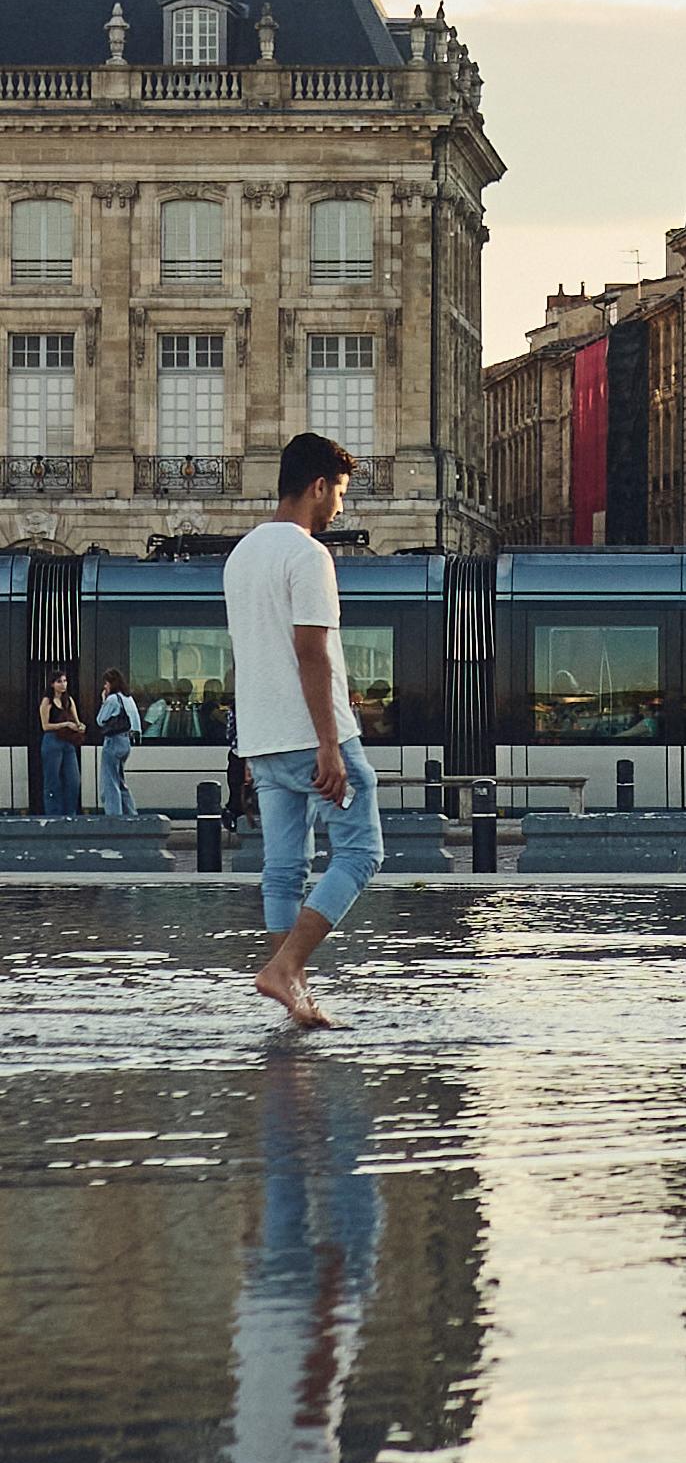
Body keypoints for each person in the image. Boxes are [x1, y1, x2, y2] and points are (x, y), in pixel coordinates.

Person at [225, 432, 381, 1028]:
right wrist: (328, 743)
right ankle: (286, 968)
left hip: (261, 738)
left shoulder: (242, 556)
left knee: (284, 868)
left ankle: (295, 991)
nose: (340, 506)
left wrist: (248, 743)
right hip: (312, 735)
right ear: (318, 486)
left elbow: (248, 655)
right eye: (339, 492)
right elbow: (310, 652)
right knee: (364, 851)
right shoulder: (309, 555)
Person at [36, 668, 84, 816]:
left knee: (73, 780)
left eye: (65, 681)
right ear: (52, 684)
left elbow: (77, 721)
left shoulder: (69, 700)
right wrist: (64, 725)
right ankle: (53, 813)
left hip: (68, 742)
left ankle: (70, 813)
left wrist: (80, 726)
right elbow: (45, 726)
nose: (63, 685)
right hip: (52, 741)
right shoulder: (47, 701)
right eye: (59, 682)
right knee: (52, 781)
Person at [94, 667, 140, 814]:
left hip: (113, 742)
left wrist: (104, 701)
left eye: (106, 683)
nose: (105, 686)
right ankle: (132, 814)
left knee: (110, 783)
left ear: (111, 683)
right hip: (126, 743)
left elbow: (100, 720)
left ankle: (115, 817)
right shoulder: (128, 698)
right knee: (120, 781)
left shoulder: (113, 699)